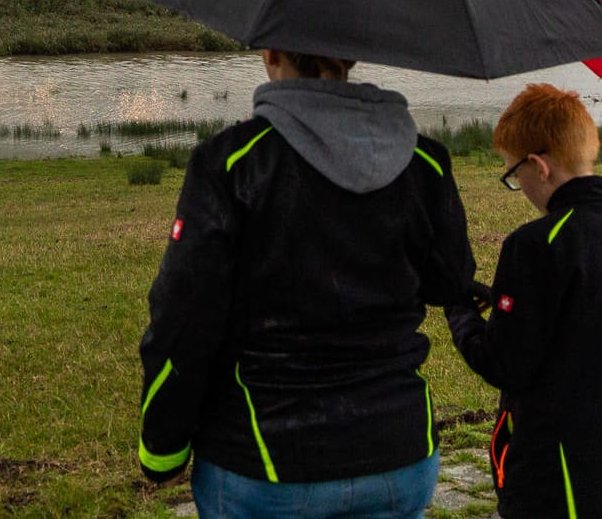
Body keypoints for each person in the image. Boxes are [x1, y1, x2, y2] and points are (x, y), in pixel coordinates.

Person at [137, 49, 477, 518]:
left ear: (271, 53)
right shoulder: (426, 162)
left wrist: (162, 449)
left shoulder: (231, 163)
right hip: (398, 452)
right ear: (353, 57)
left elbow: (183, 320)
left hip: (265, 463)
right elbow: (451, 281)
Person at [447, 84, 602, 518]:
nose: (520, 187)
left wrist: (459, 311)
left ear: (539, 166)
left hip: (551, 481)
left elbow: (503, 363)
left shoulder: (535, 245)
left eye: (513, 175)